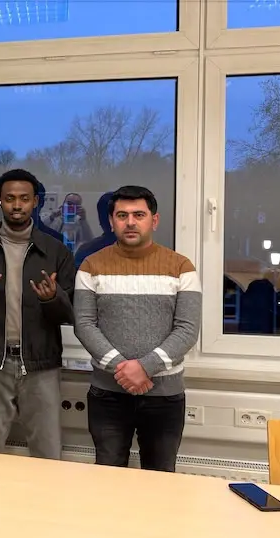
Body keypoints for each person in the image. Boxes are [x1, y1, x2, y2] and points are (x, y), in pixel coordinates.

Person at [73, 185, 201, 472]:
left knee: (160, 479)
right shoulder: (91, 265)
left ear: (154, 220)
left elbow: (187, 329)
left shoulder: (181, 267)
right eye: (122, 215)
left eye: (138, 215)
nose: (130, 222)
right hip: (107, 395)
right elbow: (84, 325)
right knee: (108, 477)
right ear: (111, 221)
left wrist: (144, 368)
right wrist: (124, 370)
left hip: (164, 396)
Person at [0, 169, 75, 460]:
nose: (17, 205)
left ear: (35, 202)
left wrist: (52, 299)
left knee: (47, 453)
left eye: (24, 198)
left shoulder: (56, 250)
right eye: (9, 199)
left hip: (42, 364)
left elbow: (71, 313)